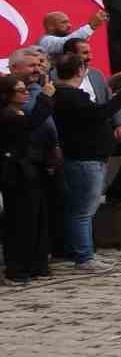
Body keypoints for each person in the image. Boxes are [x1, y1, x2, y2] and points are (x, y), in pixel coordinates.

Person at [51, 52, 121, 273]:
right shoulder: (70, 96)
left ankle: (84, 253)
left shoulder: (65, 94)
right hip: (85, 160)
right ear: (81, 71)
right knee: (83, 211)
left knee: (82, 210)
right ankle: (84, 257)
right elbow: (99, 114)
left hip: (87, 158)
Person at [0, 72, 55, 284]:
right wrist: (45, 97)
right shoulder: (7, 115)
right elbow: (31, 125)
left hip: (31, 171)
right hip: (16, 174)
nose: (25, 94)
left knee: (36, 219)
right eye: (20, 91)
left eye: (25, 90)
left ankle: (36, 265)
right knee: (20, 223)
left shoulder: (19, 112)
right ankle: (17, 269)